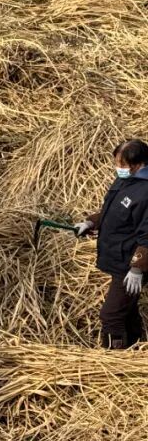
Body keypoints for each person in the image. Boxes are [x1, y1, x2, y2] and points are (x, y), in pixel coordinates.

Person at [72, 139, 148, 349]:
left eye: (122, 164)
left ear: (138, 164)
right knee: (126, 310)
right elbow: (113, 212)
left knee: (111, 315)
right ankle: (135, 347)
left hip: (129, 264)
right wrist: (90, 222)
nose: (118, 168)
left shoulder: (145, 192)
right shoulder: (125, 181)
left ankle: (114, 355)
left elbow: (147, 235)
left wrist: (137, 268)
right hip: (118, 258)